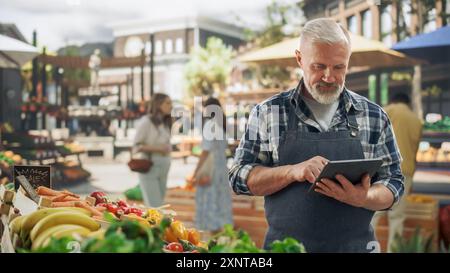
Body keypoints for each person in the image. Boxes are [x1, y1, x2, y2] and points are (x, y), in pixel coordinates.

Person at [229, 18, 404, 253]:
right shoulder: (268, 112)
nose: (329, 77)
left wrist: (364, 197)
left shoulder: (374, 116)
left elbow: (394, 182)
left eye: (339, 67)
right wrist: (291, 171)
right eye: (318, 66)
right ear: (300, 59)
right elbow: (239, 177)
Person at [371, 92, 423, 252]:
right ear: (407, 103)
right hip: (404, 171)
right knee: (397, 217)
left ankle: (366, 248)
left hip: (380, 168)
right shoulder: (416, 121)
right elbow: (415, 152)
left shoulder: (383, 111)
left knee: (374, 214)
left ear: (393, 100)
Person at [191, 97, 233, 234]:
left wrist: (195, 172)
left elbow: (205, 151)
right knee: (221, 201)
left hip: (211, 169)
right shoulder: (222, 124)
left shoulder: (209, 124)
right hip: (222, 168)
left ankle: (213, 237)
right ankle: (223, 236)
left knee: (210, 201)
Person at [133, 93, 173, 207]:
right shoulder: (146, 122)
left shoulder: (164, 122)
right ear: (158, 104)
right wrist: (159, 149)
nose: (171, 106)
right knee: (155, 206)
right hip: (150, 168)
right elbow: (136, 146)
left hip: (163, 169)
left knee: (159, 205)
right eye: (168, 103)